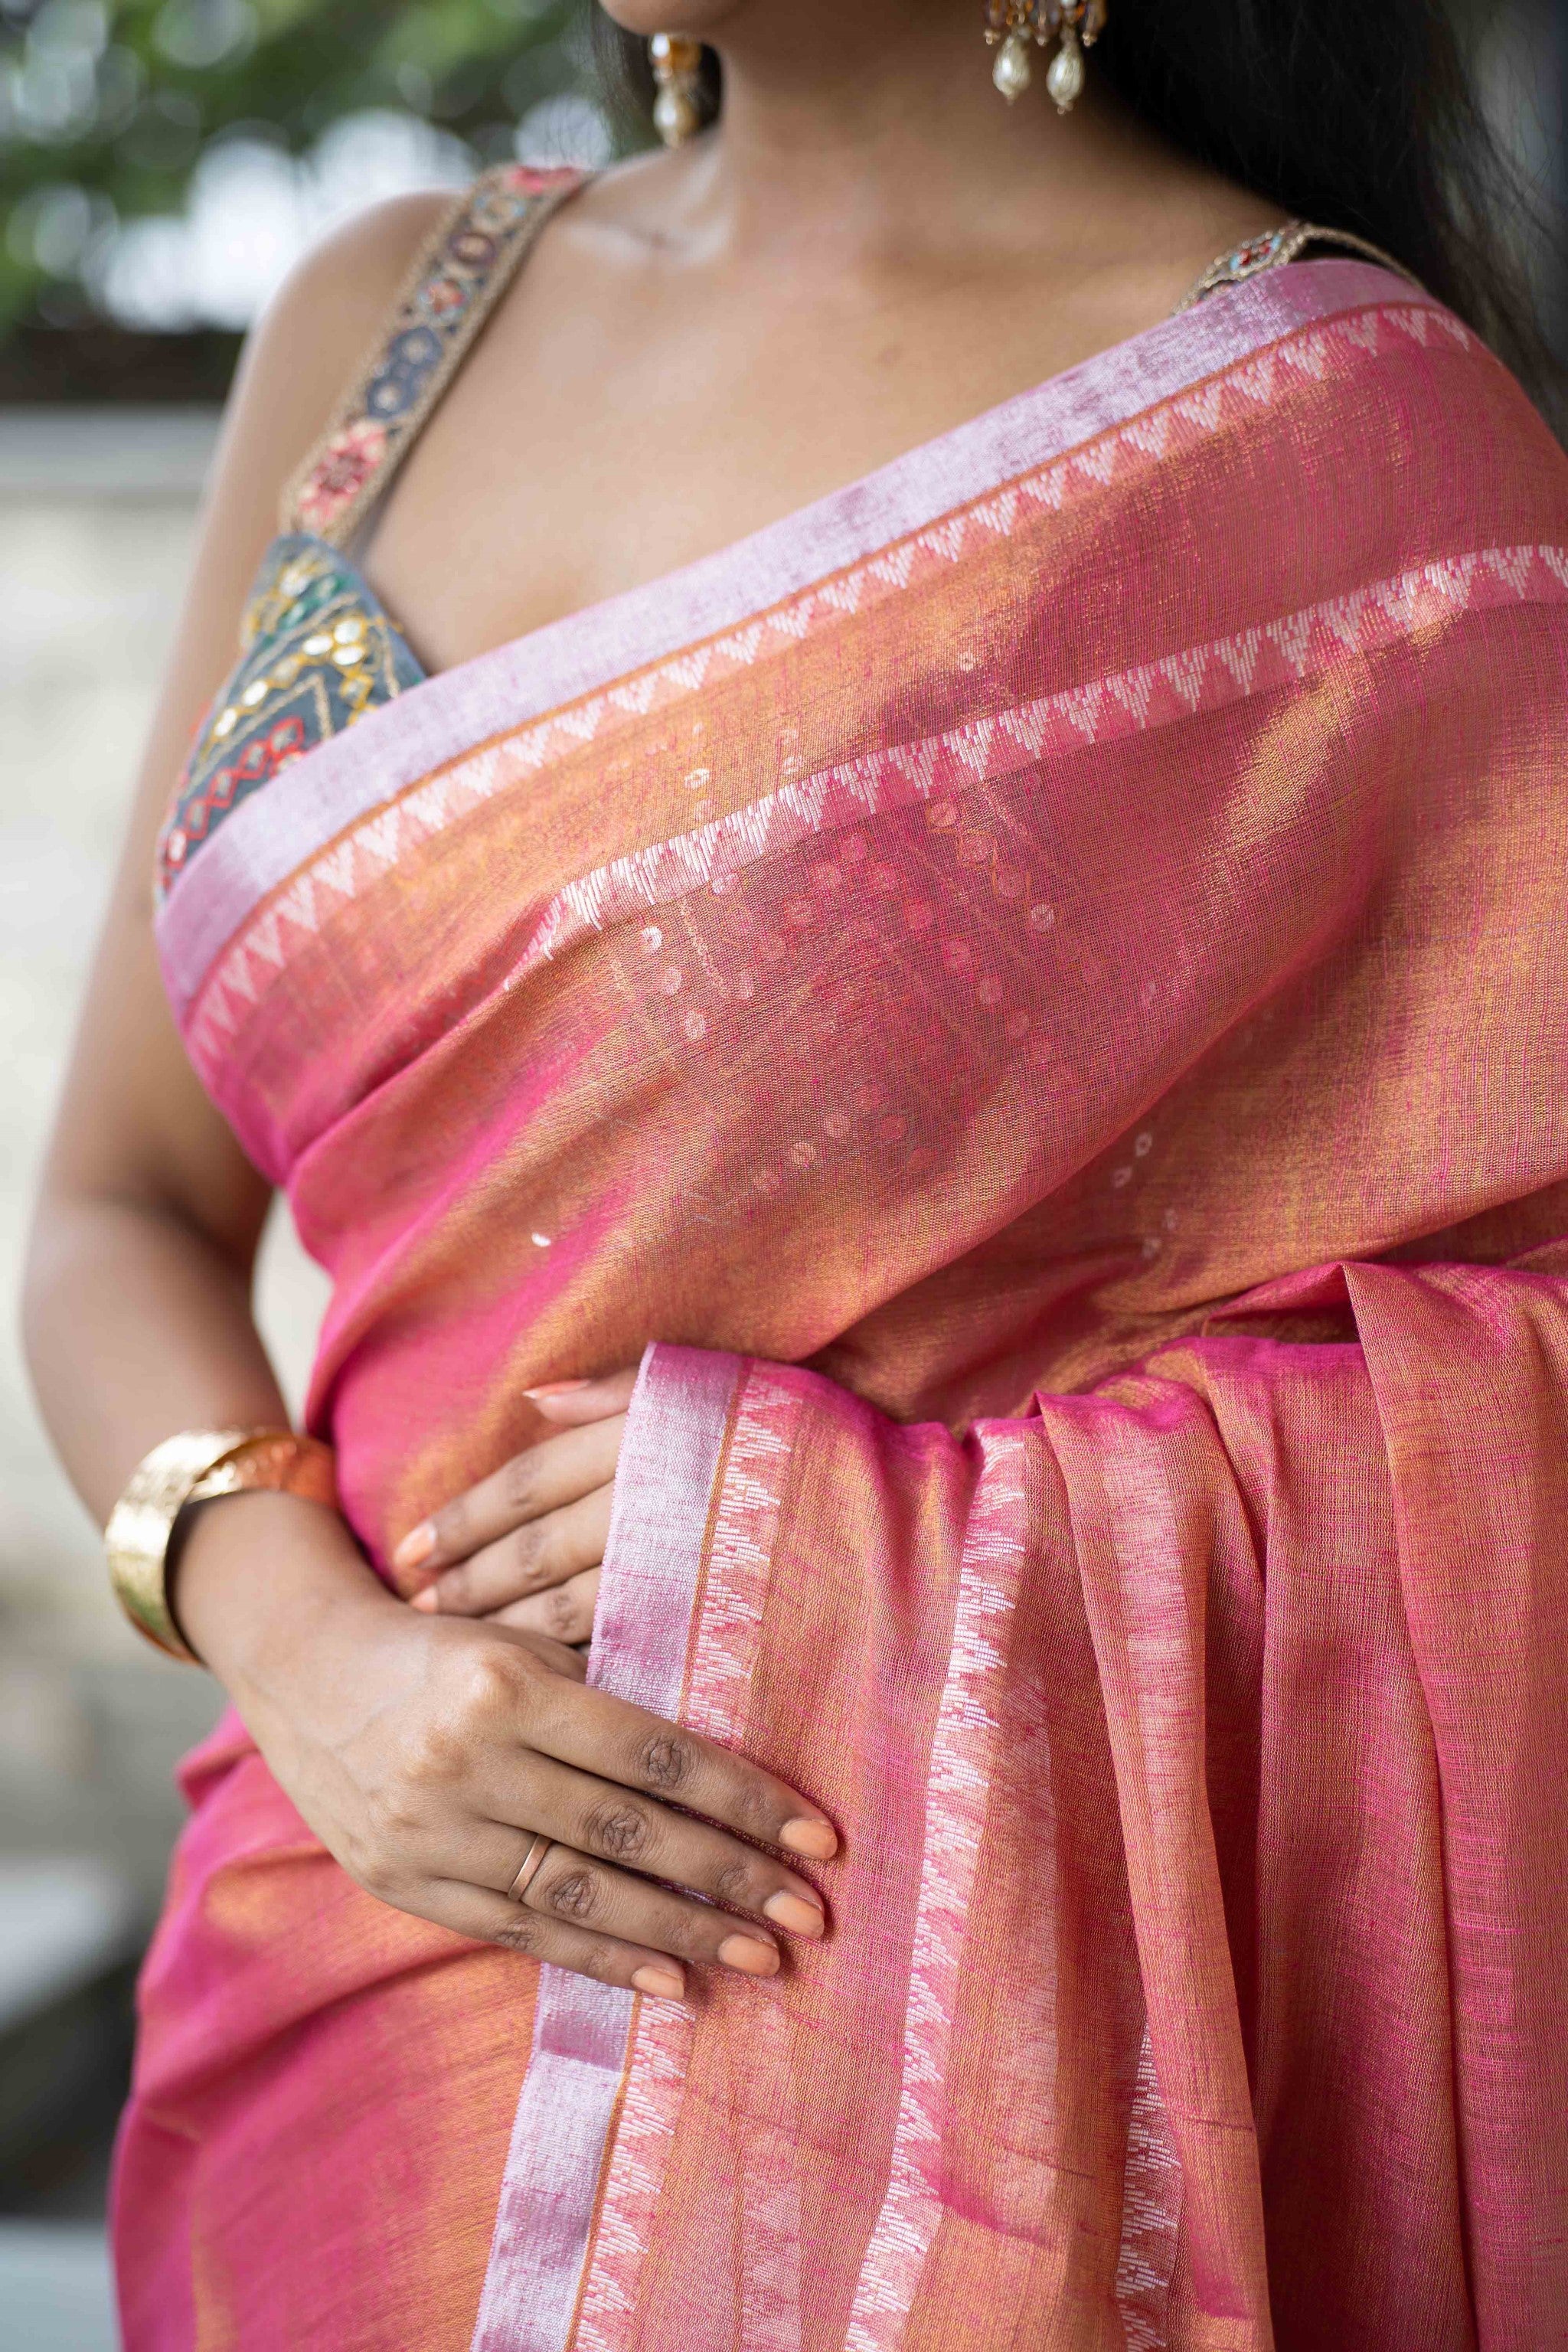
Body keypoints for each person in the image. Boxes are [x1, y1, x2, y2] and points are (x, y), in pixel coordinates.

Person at [23, 1, 1568, 2344]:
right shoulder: (389, 319)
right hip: (338, 1965)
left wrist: (865, 1545)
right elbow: (115, 1208)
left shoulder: (1349, 452)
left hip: (886, 2055)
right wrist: (308, 1652)